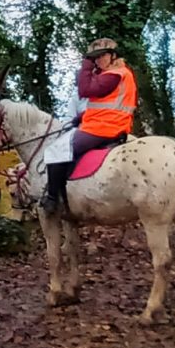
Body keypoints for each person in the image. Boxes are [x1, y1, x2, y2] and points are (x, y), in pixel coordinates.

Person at [41, 37, 138, 215]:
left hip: (103, 128)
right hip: (106, 123)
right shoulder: (117, 75)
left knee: (55, 151)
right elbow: (108, 105)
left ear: (113, 55)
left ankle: (53, 199)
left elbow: (85, 90)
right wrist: (81, 116)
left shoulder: (114, 75)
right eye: (95, 57)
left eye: (101, 56)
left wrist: (86, 66)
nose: (98, 60)